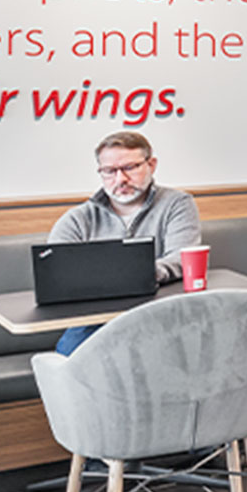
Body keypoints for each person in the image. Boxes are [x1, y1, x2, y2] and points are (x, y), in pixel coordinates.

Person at [48, 131, 201, 355]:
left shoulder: (177, 204)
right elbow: (56, 269)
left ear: (151, 165)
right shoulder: (78, 219)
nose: (120, 179)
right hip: (95, 321)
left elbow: (182, 257)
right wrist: (126, 275)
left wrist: (136, 272)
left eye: (130, 168)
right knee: (71, 361)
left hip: (159, 314)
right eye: (109, 171)